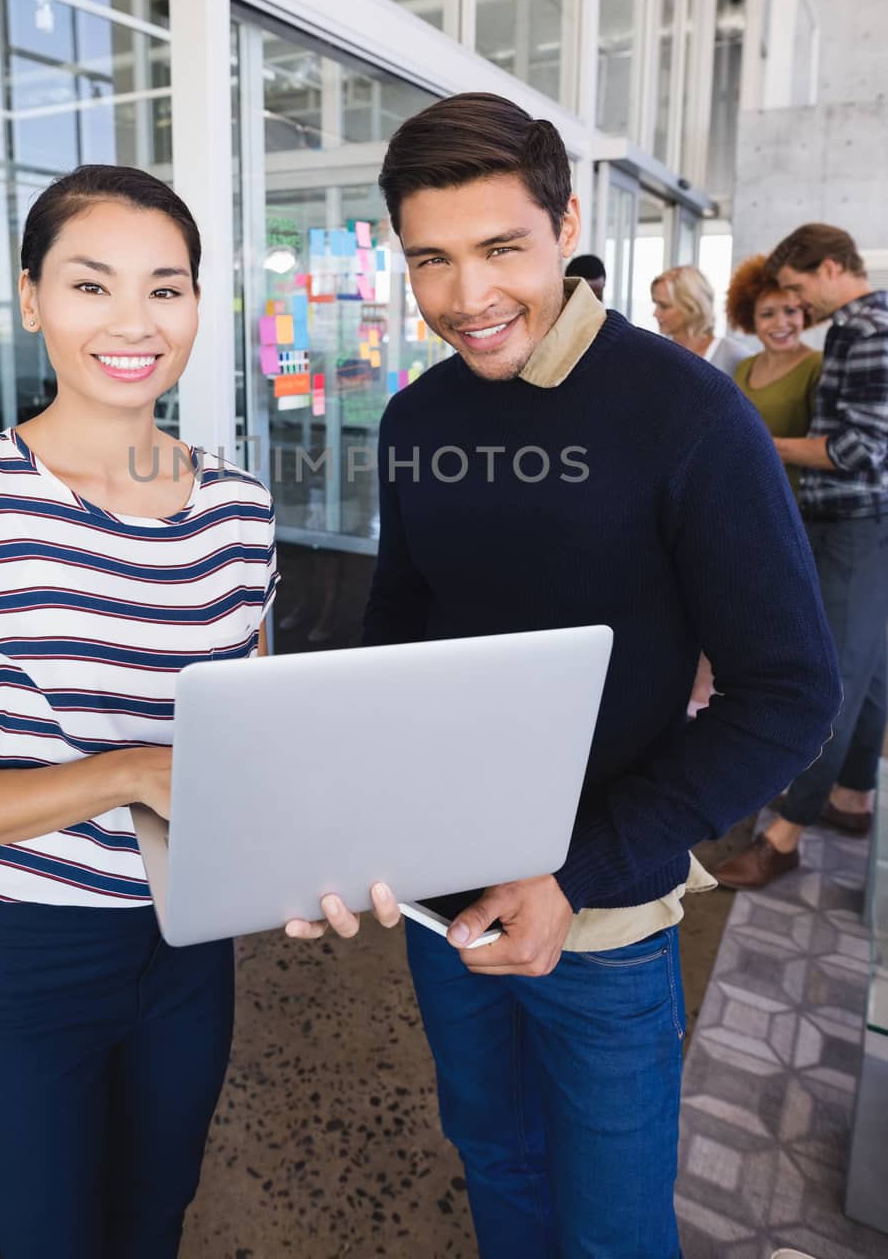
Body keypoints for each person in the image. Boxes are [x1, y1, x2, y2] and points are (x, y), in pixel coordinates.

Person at [286, 93, 839, 1257]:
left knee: (608, 1234)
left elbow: (789, 693)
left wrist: (574, 871)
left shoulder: (686, 414)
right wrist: (331, 813)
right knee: (494, 1160)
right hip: (443, 901)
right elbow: (401, 625)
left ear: (565, 222)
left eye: (500, 249)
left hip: (602, 920)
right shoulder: (412, 417)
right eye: (429, 260)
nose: (465, 297)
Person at [0, 166, 278, 1258]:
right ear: (32, 296)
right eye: (92, 286)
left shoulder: (238, 510)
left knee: (152, 1223)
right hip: (26, 958)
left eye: (166, 288)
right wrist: (126, 773)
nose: (134, 323)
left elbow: (255, 751)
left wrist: (303, 855)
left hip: (190, 949)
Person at [716, 223, 888, 889]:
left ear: (828, 266)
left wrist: (761, 442)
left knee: (835, 680)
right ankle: (850, 798)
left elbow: (857, 449)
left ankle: (785, 837)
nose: (795, 307)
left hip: (852, 520)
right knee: (868, 672)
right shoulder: (858, 325)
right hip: (850, 521)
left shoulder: (866, 328)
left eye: (795, 290)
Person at [726, 254, 822, 499]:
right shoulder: (745, 366)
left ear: (806, 314)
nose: (781, 324)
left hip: (796, 500)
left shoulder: (817, 366)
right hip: (746, 494)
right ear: (751, 319)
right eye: (767, 314)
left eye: (791, 311)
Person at [651, 263, 746, 375]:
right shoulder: (658, 354)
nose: (655, 313)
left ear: (691, 306)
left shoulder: (735, 357)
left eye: (664, 306)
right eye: (656, 304)